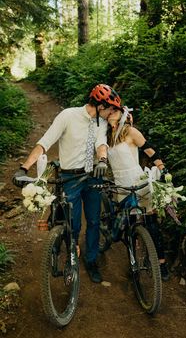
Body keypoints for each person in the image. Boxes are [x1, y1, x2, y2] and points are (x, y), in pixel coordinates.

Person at [13, 84, 122, 283]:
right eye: (110, 109)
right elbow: (45, 142)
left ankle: (91, 260)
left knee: (94, 221)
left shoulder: (101, 122)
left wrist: (103, 160)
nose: (112, 113)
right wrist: (24, 167)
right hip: (70, 177)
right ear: (99, 105)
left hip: (92, 176)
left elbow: (101, 144)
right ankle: (71, 253)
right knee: (72, 223)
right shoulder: (68, 116)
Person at [106, 107, 171, 281]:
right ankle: (134, 262)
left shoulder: (130, 131)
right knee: (129, 225)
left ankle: (161, 263)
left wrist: (163, 170)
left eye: (115, 110)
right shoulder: (106, 136)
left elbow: (150, 150)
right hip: (121, 186)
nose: (111, 113)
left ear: (123, 114)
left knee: (150, 222)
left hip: (138, 181)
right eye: (108, 111)